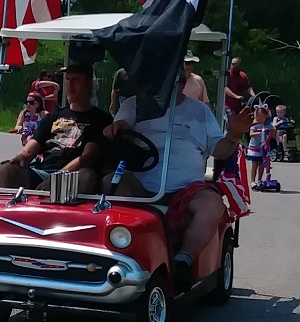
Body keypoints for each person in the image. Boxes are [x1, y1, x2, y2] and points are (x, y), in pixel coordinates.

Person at [109, 82, 255, 288]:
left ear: (183, 82)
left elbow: (220, 151)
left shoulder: (199, 111)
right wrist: (118, 127)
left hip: (186, 190)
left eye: (175, 80)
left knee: (213, 204)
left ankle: (182, 261)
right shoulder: (135, 105)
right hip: (140, 186)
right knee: (109, 182)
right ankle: (117, 253)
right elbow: (120, 127)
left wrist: (233, 136)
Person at [0, 61, 110, 193]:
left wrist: (56, 180)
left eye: (76, 80)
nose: (70, 85)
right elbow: (32, 146)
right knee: (6, 170)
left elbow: (87, 158)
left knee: (86, 175)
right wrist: (20, 157)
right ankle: (21, 208)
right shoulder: (53, 116)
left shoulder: (100, 119)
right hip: (43, 173)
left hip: (72, 176)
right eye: (67, 79)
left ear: (89, 84)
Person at [247, 104, 272, 188]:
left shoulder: (268, 126)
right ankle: (252, 181)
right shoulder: (255, 125)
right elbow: (251, 134)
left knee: (262, 165)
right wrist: (260, 132)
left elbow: (273, 132)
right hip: (255, 148)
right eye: (258, 116)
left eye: (262, 116)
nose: (260, 118)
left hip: (264, 148)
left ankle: (259, 180)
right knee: (254, 165)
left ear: (266, 117)